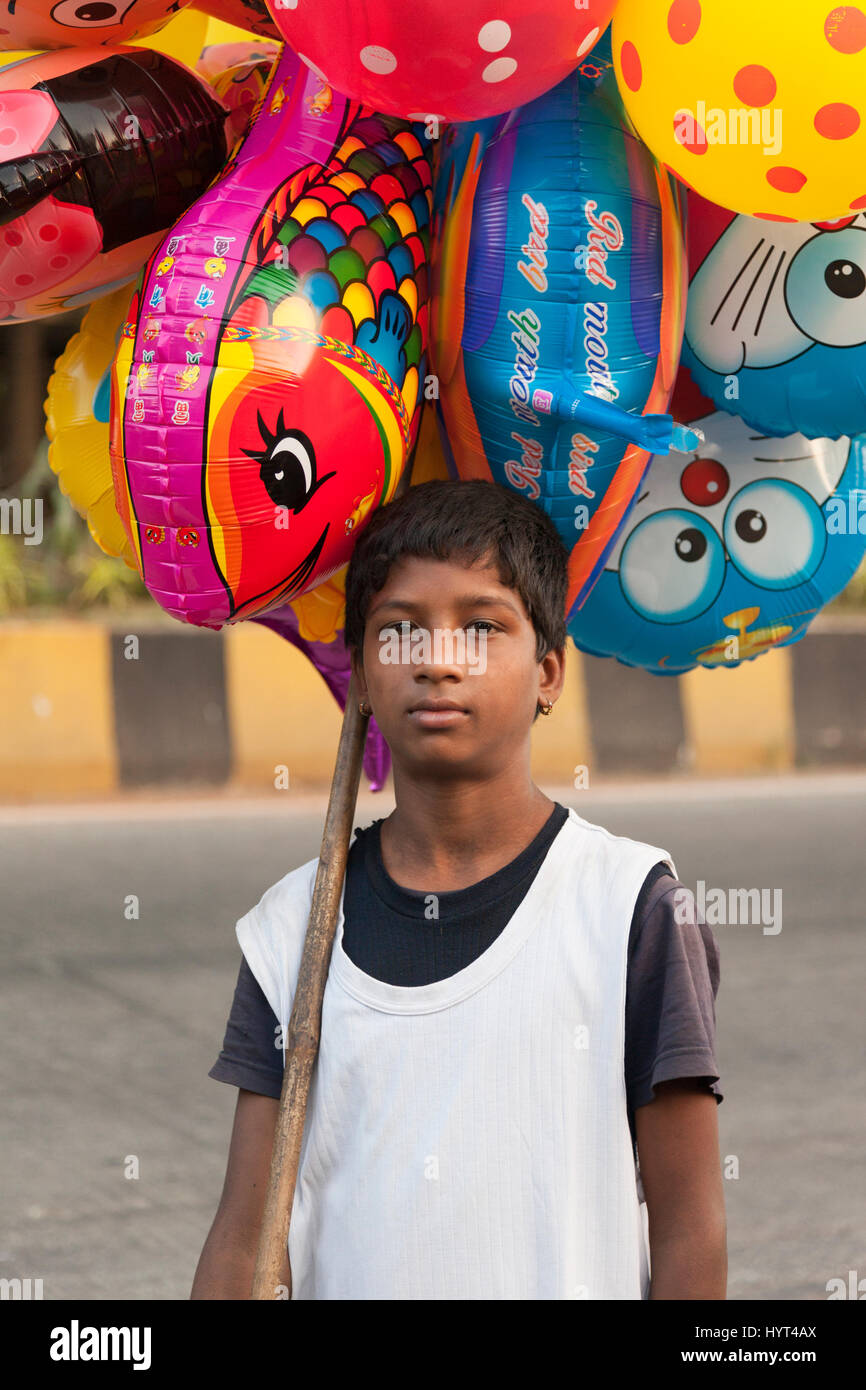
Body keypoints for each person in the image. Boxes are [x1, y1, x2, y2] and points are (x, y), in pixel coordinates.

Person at [192, 478, 725, 1300]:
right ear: (362, 676)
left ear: (548, 671)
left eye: (482, 626)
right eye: (399, 631)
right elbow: (244, 1233)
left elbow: (690, 1228)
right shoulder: (292, 929)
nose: (438, 659)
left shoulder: (631, 907)